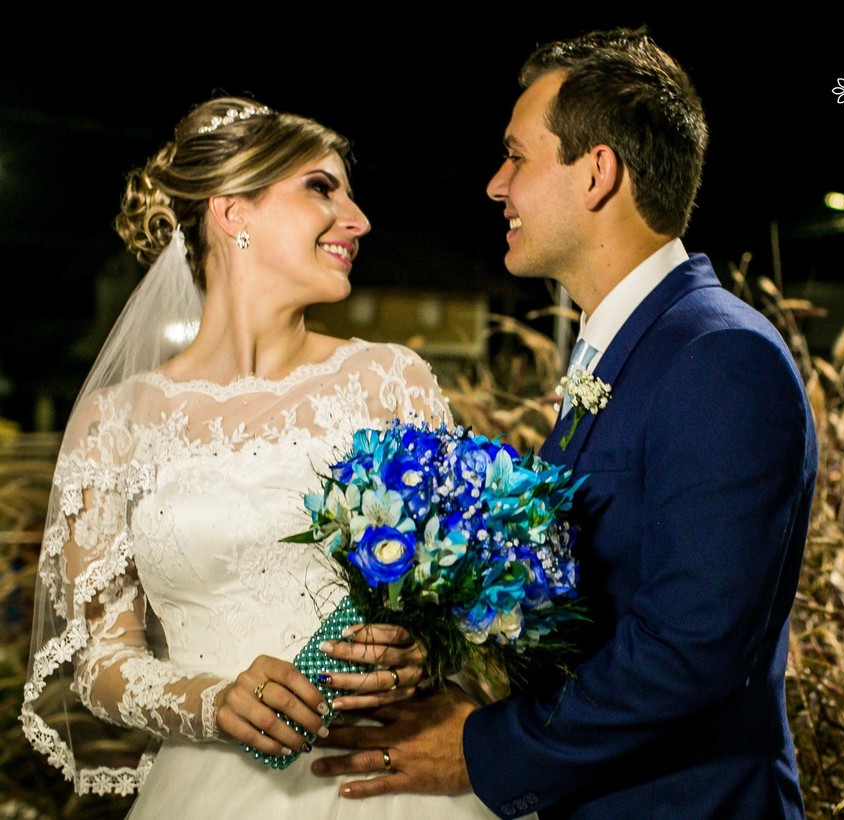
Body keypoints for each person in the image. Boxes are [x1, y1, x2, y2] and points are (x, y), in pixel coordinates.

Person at [312, 27, 818, 818]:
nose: (495, 185)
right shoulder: (629, 350)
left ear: (596, 173)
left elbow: (689, 650)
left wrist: (480, 749)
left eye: (517, 157)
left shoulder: (719, 356)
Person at [21, 95, 495, 818]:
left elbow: (464, 599)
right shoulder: (115, 422)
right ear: (232, 210)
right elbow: (101, 662)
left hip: (388, 777)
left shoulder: (390, 381)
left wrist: (427, 652)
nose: (358, 220)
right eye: (322, 188)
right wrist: (211, 700)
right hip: (210, 789)